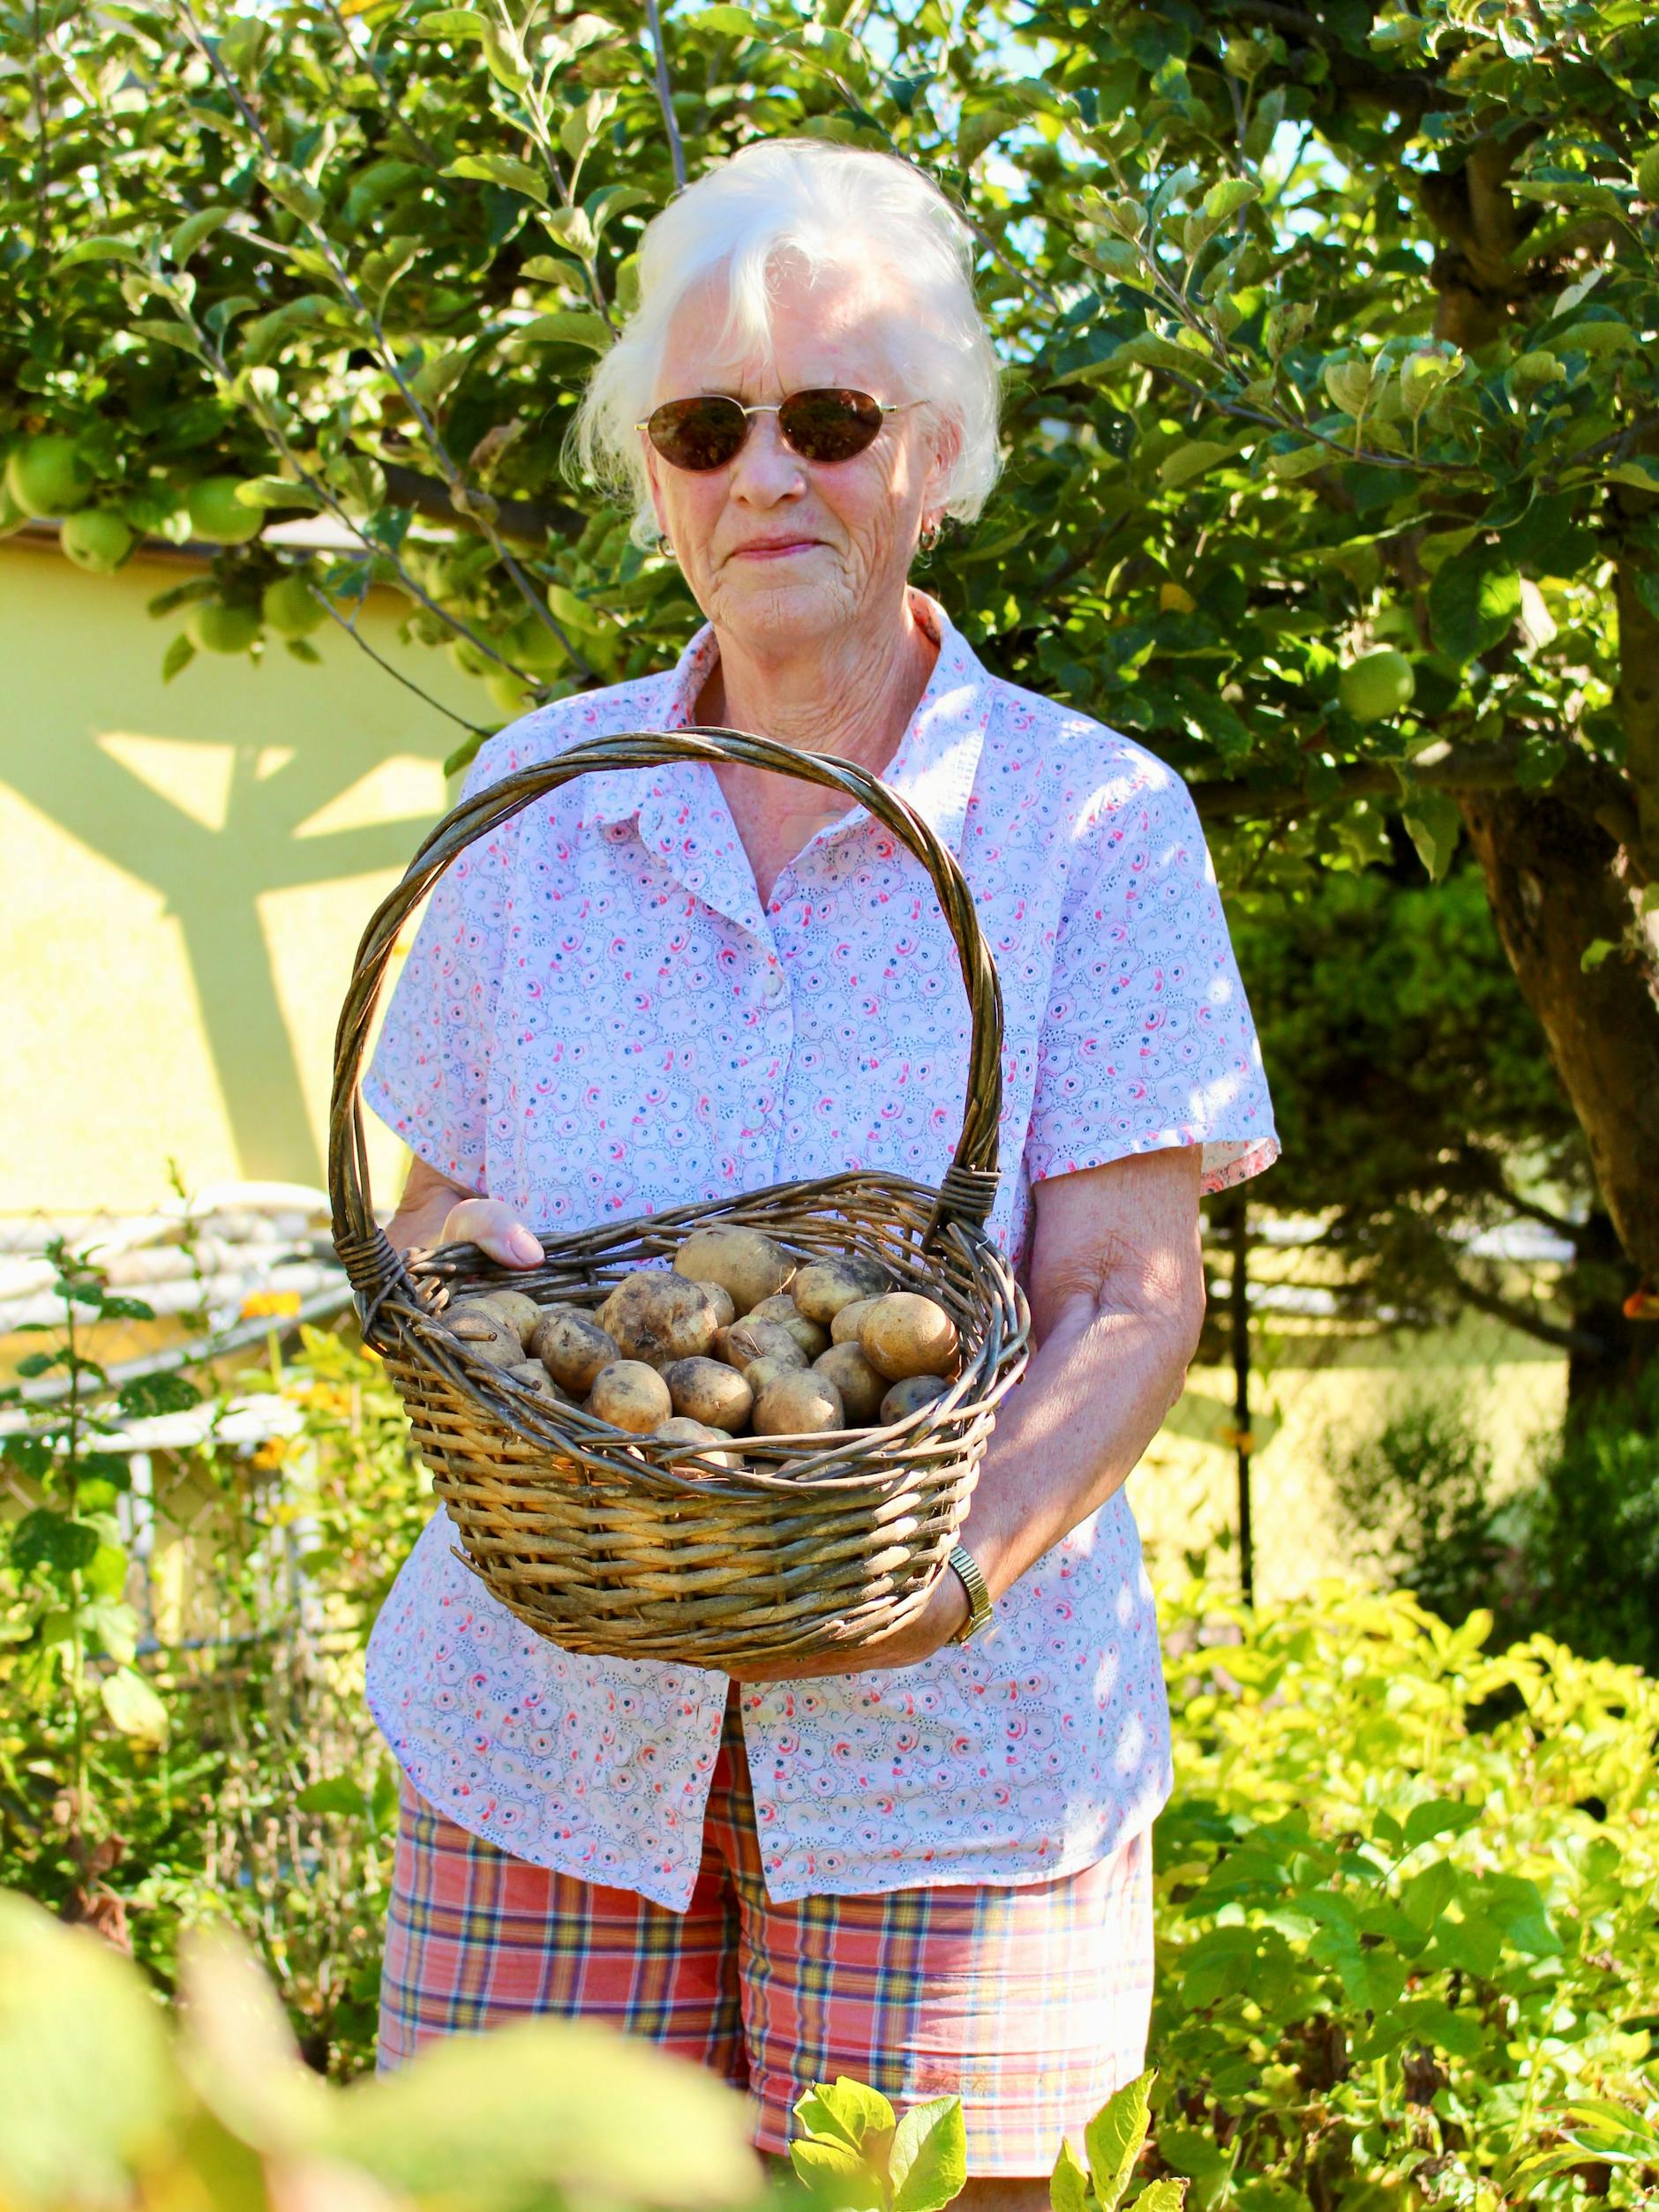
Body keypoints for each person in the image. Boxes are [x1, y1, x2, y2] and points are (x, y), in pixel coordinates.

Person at [363, 138, 1278, 2202]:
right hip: (540, 1735)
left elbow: (1127, 1297)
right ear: (656, 478)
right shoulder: (533, 801)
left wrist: (943, 1581)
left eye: (832, 419)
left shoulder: (1089, 825)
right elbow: (429, 1212)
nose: (765, 474)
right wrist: (453, 1276)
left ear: (934, 457)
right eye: (705, 428)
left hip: (958, 1768)